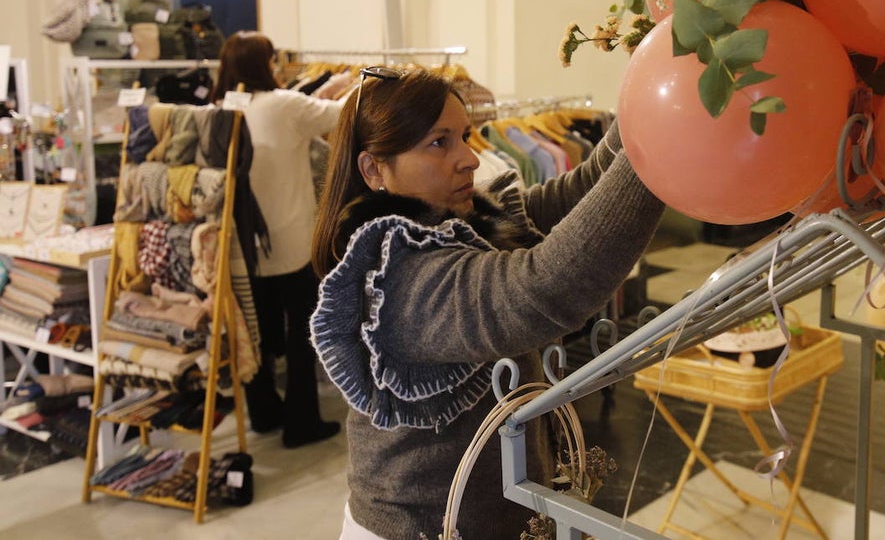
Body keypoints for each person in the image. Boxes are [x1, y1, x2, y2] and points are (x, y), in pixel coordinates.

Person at [309, 67, 665, 539]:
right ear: (374, 169)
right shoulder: (394, 279)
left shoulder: (467, 220)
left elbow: (578, 192)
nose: (470, 159)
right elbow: (543, 289)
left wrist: (654, 95)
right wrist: (664, 146)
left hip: (491, 516)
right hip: (419, 528)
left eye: (464, 136)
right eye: (440, 143)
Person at [210, 31, 345, 448]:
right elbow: (339, 115)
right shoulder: (285, 106)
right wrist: (351, 85)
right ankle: (301, 421)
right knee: (301, 333)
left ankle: (264, 411)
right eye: (271, 61)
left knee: (255, 330)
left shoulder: (218, 110)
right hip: (291, 241)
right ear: (261, 64)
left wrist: (324, 87)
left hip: (242, 245)